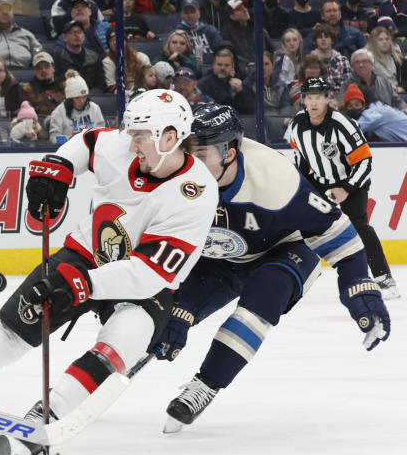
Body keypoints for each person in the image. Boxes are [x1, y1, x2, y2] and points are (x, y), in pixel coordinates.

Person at [0, 89, 219, 455]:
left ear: (169, 137)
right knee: (6, 339)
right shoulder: (121, 146)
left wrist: (84, 285)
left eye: (141, 137)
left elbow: (148, 274)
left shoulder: (195, 194)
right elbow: (86, 142)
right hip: (84, 254)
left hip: (146, 285)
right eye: (131, 134)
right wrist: (59, 169)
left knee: (124, 342)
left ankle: (44, 417)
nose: (132, 144)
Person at [152, 103, 390, 432]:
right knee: (163, 317)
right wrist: (177, 306)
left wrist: (359, 283)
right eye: (187, 153)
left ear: (229, 153)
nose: (190, 163)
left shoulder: (275, 178)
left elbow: (337, 232)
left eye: (201, 154)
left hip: (284, 250)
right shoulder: (176, 176)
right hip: (221, 256)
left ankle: (206, 384)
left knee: (260, 301)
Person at [286, 76, 399, 298]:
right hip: (319, 183)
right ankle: (292, 281)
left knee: (359, 228)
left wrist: (345, 188)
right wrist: (304, 186)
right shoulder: (297, 125)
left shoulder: (344, 124)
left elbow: (364, 161)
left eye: (319, 97)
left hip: (351, 182)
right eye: (310, 97)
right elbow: (301, 157)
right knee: (299, 230)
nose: (314, 103)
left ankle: (384, 280)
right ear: (304, 100)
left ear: (328, 99)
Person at [221, 0, 273, 77]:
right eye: (239, 9)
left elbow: (271, 51)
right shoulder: (226, 34)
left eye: (244, 7)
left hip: (264, 69)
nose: (245, 10)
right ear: (232, 16)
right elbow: (232, 58)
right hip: (243, 74)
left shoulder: (258, 29)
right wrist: (248, 65)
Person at [47, 71, 104, 141]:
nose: (82, 101)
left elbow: (102, 134)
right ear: (70, 99)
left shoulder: (95, 109)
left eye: (84, 97)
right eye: (77, 98)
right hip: (68, 150)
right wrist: (68, 139)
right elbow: (53, 138)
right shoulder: (58, 113)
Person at [345, 48, 407, 112]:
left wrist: (404, 109)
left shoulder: (383, 81)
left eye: (365, 61)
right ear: (352, 66)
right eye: (357, 62)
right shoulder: (347, 85)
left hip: (387, 117)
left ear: (372, 64)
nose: (361, 65)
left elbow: (398, 102)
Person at [198, 47, 256, 114]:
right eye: (219, 64)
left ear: (232, 67)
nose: (222, 68)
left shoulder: (238, 83)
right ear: (213, 65)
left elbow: (250, 110)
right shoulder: (203, 84)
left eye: (226, 65)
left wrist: (240, 91)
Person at [52, 19, 104, 91]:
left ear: (84, 37)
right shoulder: (56, 56)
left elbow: (100, 84)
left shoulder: (95, 57)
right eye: (71, 32)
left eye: (79, 32)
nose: (76, 35)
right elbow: (54, 80)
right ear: (64, 37)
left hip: (91, 96)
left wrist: (88, 96)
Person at [102, 25, 150, 93]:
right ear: (109, 45)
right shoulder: (107, 62)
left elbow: (151, 81)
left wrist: (139, 79)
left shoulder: (142, 57)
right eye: (111, 40)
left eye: (118, 38)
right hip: (122, 98)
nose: (115, 42)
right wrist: (121, 83)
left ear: (125, 41)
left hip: (143, 94)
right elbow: (111, 87)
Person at [176, 0, 222, 67]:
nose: (190, 15)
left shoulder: (210, 30)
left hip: (213, 68)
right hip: (190, 69)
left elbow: (221, 51)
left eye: (193, 11)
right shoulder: (177, 34)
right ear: (181, 14)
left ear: (199, 13)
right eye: (186, 12)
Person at [309, 22, 351, 93]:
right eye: (320, 37)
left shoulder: (342, 60)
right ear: (315, 41)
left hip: (339, 97)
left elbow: (347, 84)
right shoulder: (310, 60)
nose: (323, 39)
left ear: (332, 40)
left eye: (326, 37)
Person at [21, 51, 65, 119]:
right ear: (34, 71)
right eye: (39, 68)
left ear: (53, 67)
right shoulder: (27, 91)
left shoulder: (65, 86)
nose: (43, 70)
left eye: (46, 66)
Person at [366, 26, 404, 94]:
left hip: (397, 91)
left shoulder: (396, 57)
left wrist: (403, 88)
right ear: (373, 42)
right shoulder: (367, 57)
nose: (384, 42)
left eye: (387, 39)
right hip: (377, 93)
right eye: (380, 39)